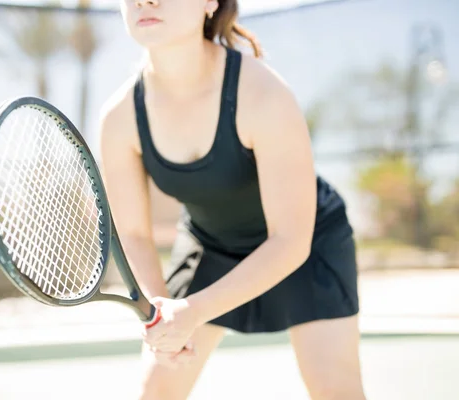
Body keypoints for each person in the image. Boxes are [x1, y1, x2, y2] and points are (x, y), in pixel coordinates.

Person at [99, 1, 367, 399]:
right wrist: (160, 313)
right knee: (155, 392)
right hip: (210, 246)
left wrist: (192, 311)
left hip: (308, 246)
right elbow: (134, 234)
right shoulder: (119, 118)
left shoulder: (264, 94)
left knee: (336, 392)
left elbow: (291, 240)